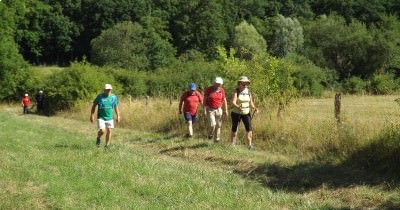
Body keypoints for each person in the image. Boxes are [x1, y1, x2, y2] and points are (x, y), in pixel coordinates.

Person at [230, 76, 258, 149]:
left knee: (249, 129)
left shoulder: (248, 91)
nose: (245, 85)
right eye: (243, 84)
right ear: (240, 83)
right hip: (236, 113)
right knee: (235, 128)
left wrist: (255, 108)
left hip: (246, 113)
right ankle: (232, 144)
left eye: (246, 84)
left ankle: (249, 145)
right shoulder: (237, 91)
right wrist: (238, 107)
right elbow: (233, 102)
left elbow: (250, 103)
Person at [90, 84, 120, 148]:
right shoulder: (100, 96)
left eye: (109, 89)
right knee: (103, 130)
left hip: (110, 117)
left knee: (109, 130)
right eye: (107, 89)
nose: (108, 90)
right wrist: (92, 115)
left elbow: (116, 106)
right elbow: (94, 105)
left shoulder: (114, 97)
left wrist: (118, 115)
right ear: (104, 90)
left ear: (111, 89)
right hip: (101, 117)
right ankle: (98, 138)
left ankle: (107, 145)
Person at [203, 77, 228, 142]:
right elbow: (204, 100)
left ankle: (217, 139)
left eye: (220, 84)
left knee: (218, 125)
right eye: (217, 83)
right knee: (212, 124)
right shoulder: (209, 89)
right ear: (214, 83)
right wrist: (204, 110)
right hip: (210, 109)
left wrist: (226, 110)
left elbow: (224, 100)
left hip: (219, 109)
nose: (218, 85)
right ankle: (210, 135)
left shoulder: (222, 90)